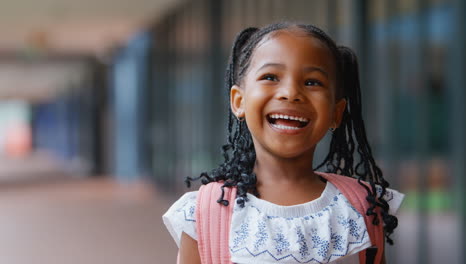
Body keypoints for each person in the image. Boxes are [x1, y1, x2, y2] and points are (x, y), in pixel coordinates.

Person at [163, 22, 404, 264]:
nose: (290, 92)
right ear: (239, 101)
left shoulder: (363, 208)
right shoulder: (206, 213)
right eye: (270, 77)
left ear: (336, 113)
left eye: (312, 82)